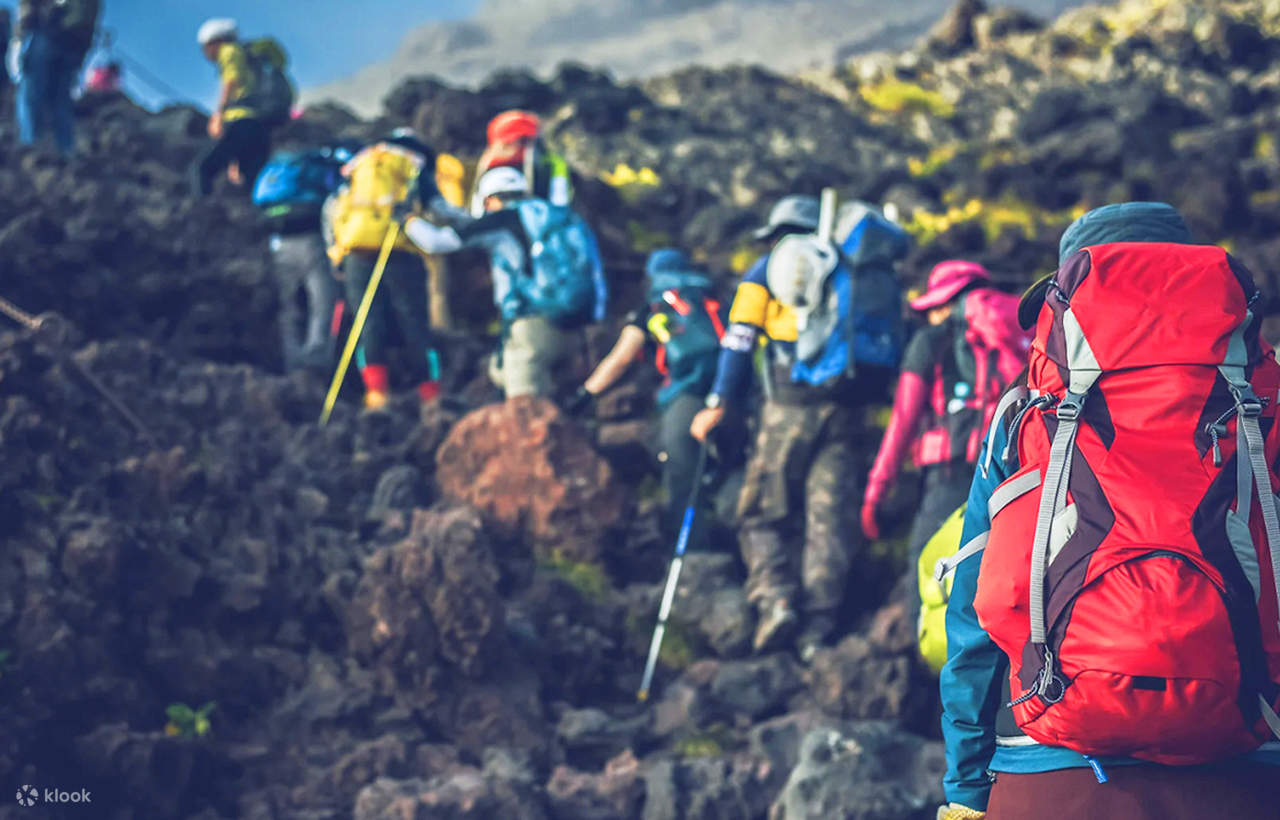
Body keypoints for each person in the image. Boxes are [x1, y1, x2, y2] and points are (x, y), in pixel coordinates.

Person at [938, 202, 1279, 820]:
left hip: (1050, 763)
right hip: (1245, 758)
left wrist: (966, 788)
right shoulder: (1263, 398)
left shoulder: (1027, 407)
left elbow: (973, 614)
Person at [690, 194, 906, 658]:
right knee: (828, 518)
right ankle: (817, 630)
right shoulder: (849, 271)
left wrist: (719, 401)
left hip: (788, 408)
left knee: (760, 511)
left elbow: (739, 341)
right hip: (847, 408)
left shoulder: (765, 270)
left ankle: (776, 600)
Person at [862, 261, 1027, 566]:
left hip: (951, 473)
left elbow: (903, 421)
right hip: (1013, 469)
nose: (930, 317)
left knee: (928, 567)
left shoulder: (930, 341)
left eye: (932, 308)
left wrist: (877, 491)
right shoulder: (1014, 330)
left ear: (946, 303)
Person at [572, 247, 737, 542]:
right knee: (733, 467)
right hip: (732, 393)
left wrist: (586, 393)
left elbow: (621, 358)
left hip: (686, 395)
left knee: (682, 473)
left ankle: (692, 550)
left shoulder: (653, 305)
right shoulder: (714, 295)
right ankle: (737, 537)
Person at [403, 165, 606, 401]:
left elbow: (436, 242)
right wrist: (434, 198)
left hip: (532, 326)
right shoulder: (555, 214)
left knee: (525, 407)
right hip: (578, 325)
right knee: (516, 381)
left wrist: (406, 220)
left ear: (489, 200)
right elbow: (470, 222)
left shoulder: (502, 220)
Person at [325, 129, 442, 410]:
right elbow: (438, 206)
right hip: (401, 252)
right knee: (414, 322)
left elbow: (332, 207)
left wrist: (336, 252)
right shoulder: (413, 166)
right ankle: (431, 396)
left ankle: (376, 395)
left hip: (357, 253)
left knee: (367, 322)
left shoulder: (360, 164)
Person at [253, 144, 354, 373]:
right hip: (312, 241)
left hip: (278, 242)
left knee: (288, 305)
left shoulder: (279, 169)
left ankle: (292, 361)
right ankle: (316, 358)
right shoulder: (320, 167)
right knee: (322, 300)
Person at [194, 18, 291, 197]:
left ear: (215, 41)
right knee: (251, 180)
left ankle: (199, 208)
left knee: (203, 169)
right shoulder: (250, 57)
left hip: (240, 120)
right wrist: (235, 160)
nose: (205, 53)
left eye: (205, 47)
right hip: (261, 125)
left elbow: (232, 80)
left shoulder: (229, 50)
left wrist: (218, 114)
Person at [14, 0, 99, 155]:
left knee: (33, 90)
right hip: (75, 40)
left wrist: (20, 34)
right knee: (61, 97)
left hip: (50, 31)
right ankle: (64, 149)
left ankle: (32, 143)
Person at [469, 109, 572, 217]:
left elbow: (559, 203)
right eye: (503, 143)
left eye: (510, 142)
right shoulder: (488, 164)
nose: (503, 147)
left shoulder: (548, 163)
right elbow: (477, 207)